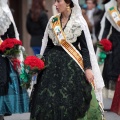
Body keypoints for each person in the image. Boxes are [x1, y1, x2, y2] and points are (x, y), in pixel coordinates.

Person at [30, 0, 105, 119]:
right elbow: (49, 46)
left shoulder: (78, 22)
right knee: (49, 100)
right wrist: (40, 62)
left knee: (71, 100)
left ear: (68, 3)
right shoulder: (53, 21)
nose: (55, 4)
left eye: (58, 1)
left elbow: (85, 49)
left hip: (72, 66)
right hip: (51, 66)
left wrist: (88, 68)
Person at [0, 0, 29, 120]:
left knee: (2, 82)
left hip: (0, 57)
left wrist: (8, 46)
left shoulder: (3, 15)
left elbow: (11, 37)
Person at [98, 0, 120, 100]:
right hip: (115, 43)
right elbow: (106, 29)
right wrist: (103, 42)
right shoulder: (111, 9)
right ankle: (113, 96)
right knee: (112, 69)